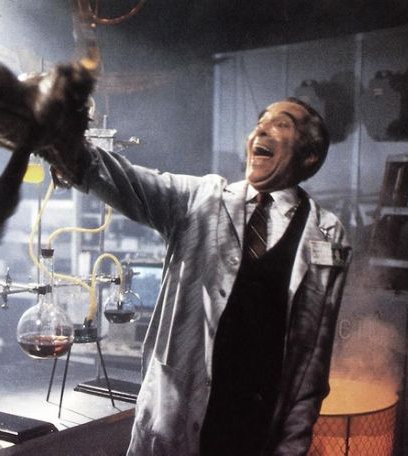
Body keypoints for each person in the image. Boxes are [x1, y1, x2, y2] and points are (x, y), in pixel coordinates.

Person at [47, 97, 351, 455]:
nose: (261, 131)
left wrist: (293, 444)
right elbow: (123, 180)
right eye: (259, 123)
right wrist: (60, 137)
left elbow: (313, 358)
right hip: (177, 422)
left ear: (310, 156)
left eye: (281, 124)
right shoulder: (200, 198)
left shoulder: (327, 234)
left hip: (256, 433)